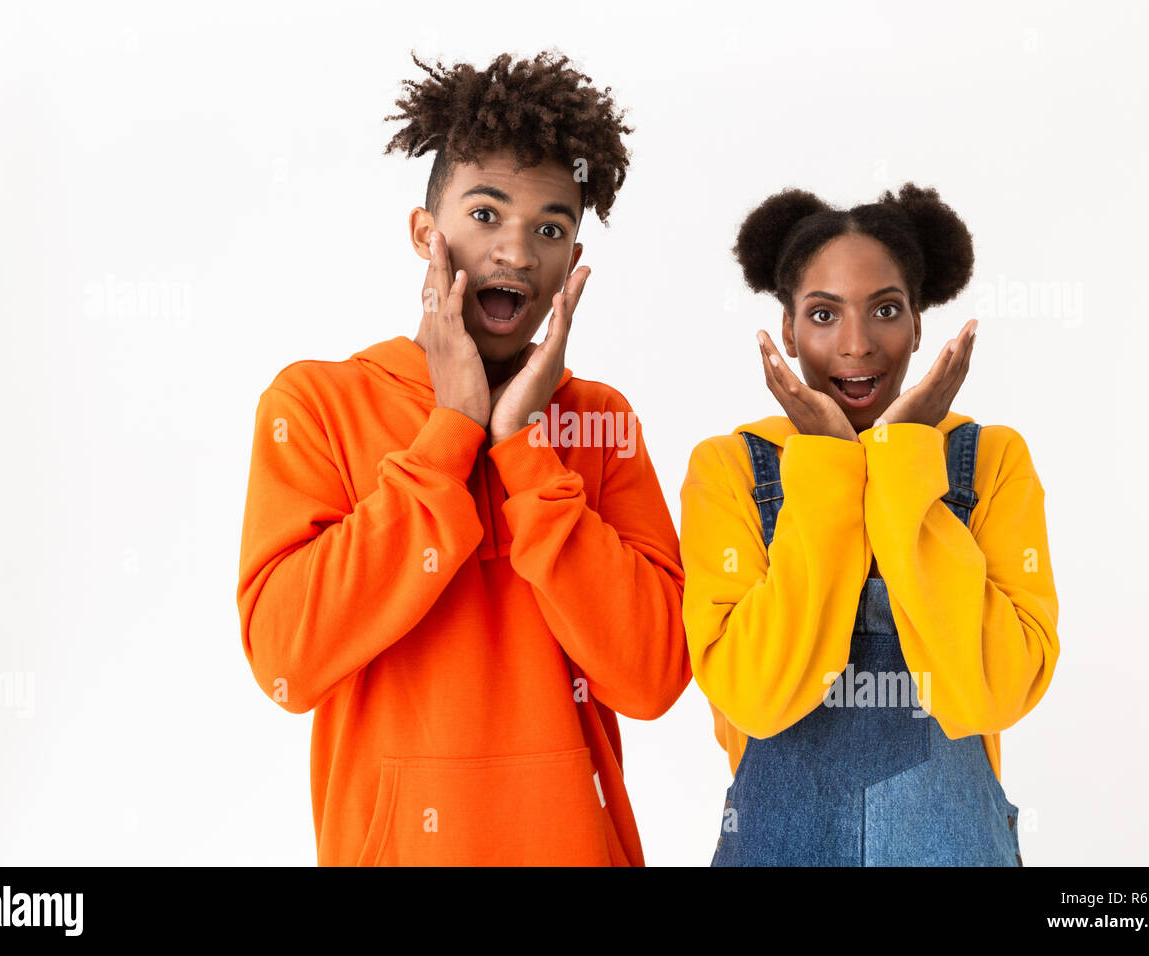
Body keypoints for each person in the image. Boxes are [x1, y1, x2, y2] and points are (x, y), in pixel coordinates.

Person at [237, 50, 691, 866]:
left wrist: (522, 450)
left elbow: (653, 676)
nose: (515, 252)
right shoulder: (315, 405)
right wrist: (450, 431)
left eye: (550, 228)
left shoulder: (599, 425)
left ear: (570, 266)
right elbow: (285, 661)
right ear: (426, 233)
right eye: (485, 215)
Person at [679, 183, 1060, 865]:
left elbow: (992, 692)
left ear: (918, 323)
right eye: (823, 315)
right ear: (789, 329)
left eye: (885, 309)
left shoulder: (993, 460)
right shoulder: (728, 468)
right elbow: (757, 699)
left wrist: (904, 459)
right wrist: (827, 464)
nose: (857, 344)